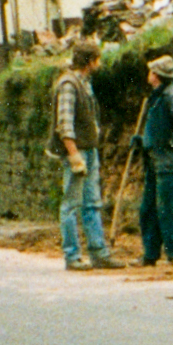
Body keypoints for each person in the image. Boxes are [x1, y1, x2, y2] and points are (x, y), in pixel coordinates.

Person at [49, 40, 116, 269]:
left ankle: (98, 253)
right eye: (97, 59)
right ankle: (72, 256)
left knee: (92, 202)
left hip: (89, 149)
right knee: (71, 204)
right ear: (90, 61)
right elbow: (64, 124)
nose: (100, 63)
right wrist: (74, 155)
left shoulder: (85, 83)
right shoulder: (69, 85)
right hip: (78, 152)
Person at [138, 52, 173, 269]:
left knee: (169, 208)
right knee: (149, 209)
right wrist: (143, 140)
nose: (148, 75)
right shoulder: (157, 97)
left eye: (151, 71)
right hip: (155, 162)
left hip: (168, 163)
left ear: (156, 75)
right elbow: (160, 126)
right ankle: (150, 254)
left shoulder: (171, 96)